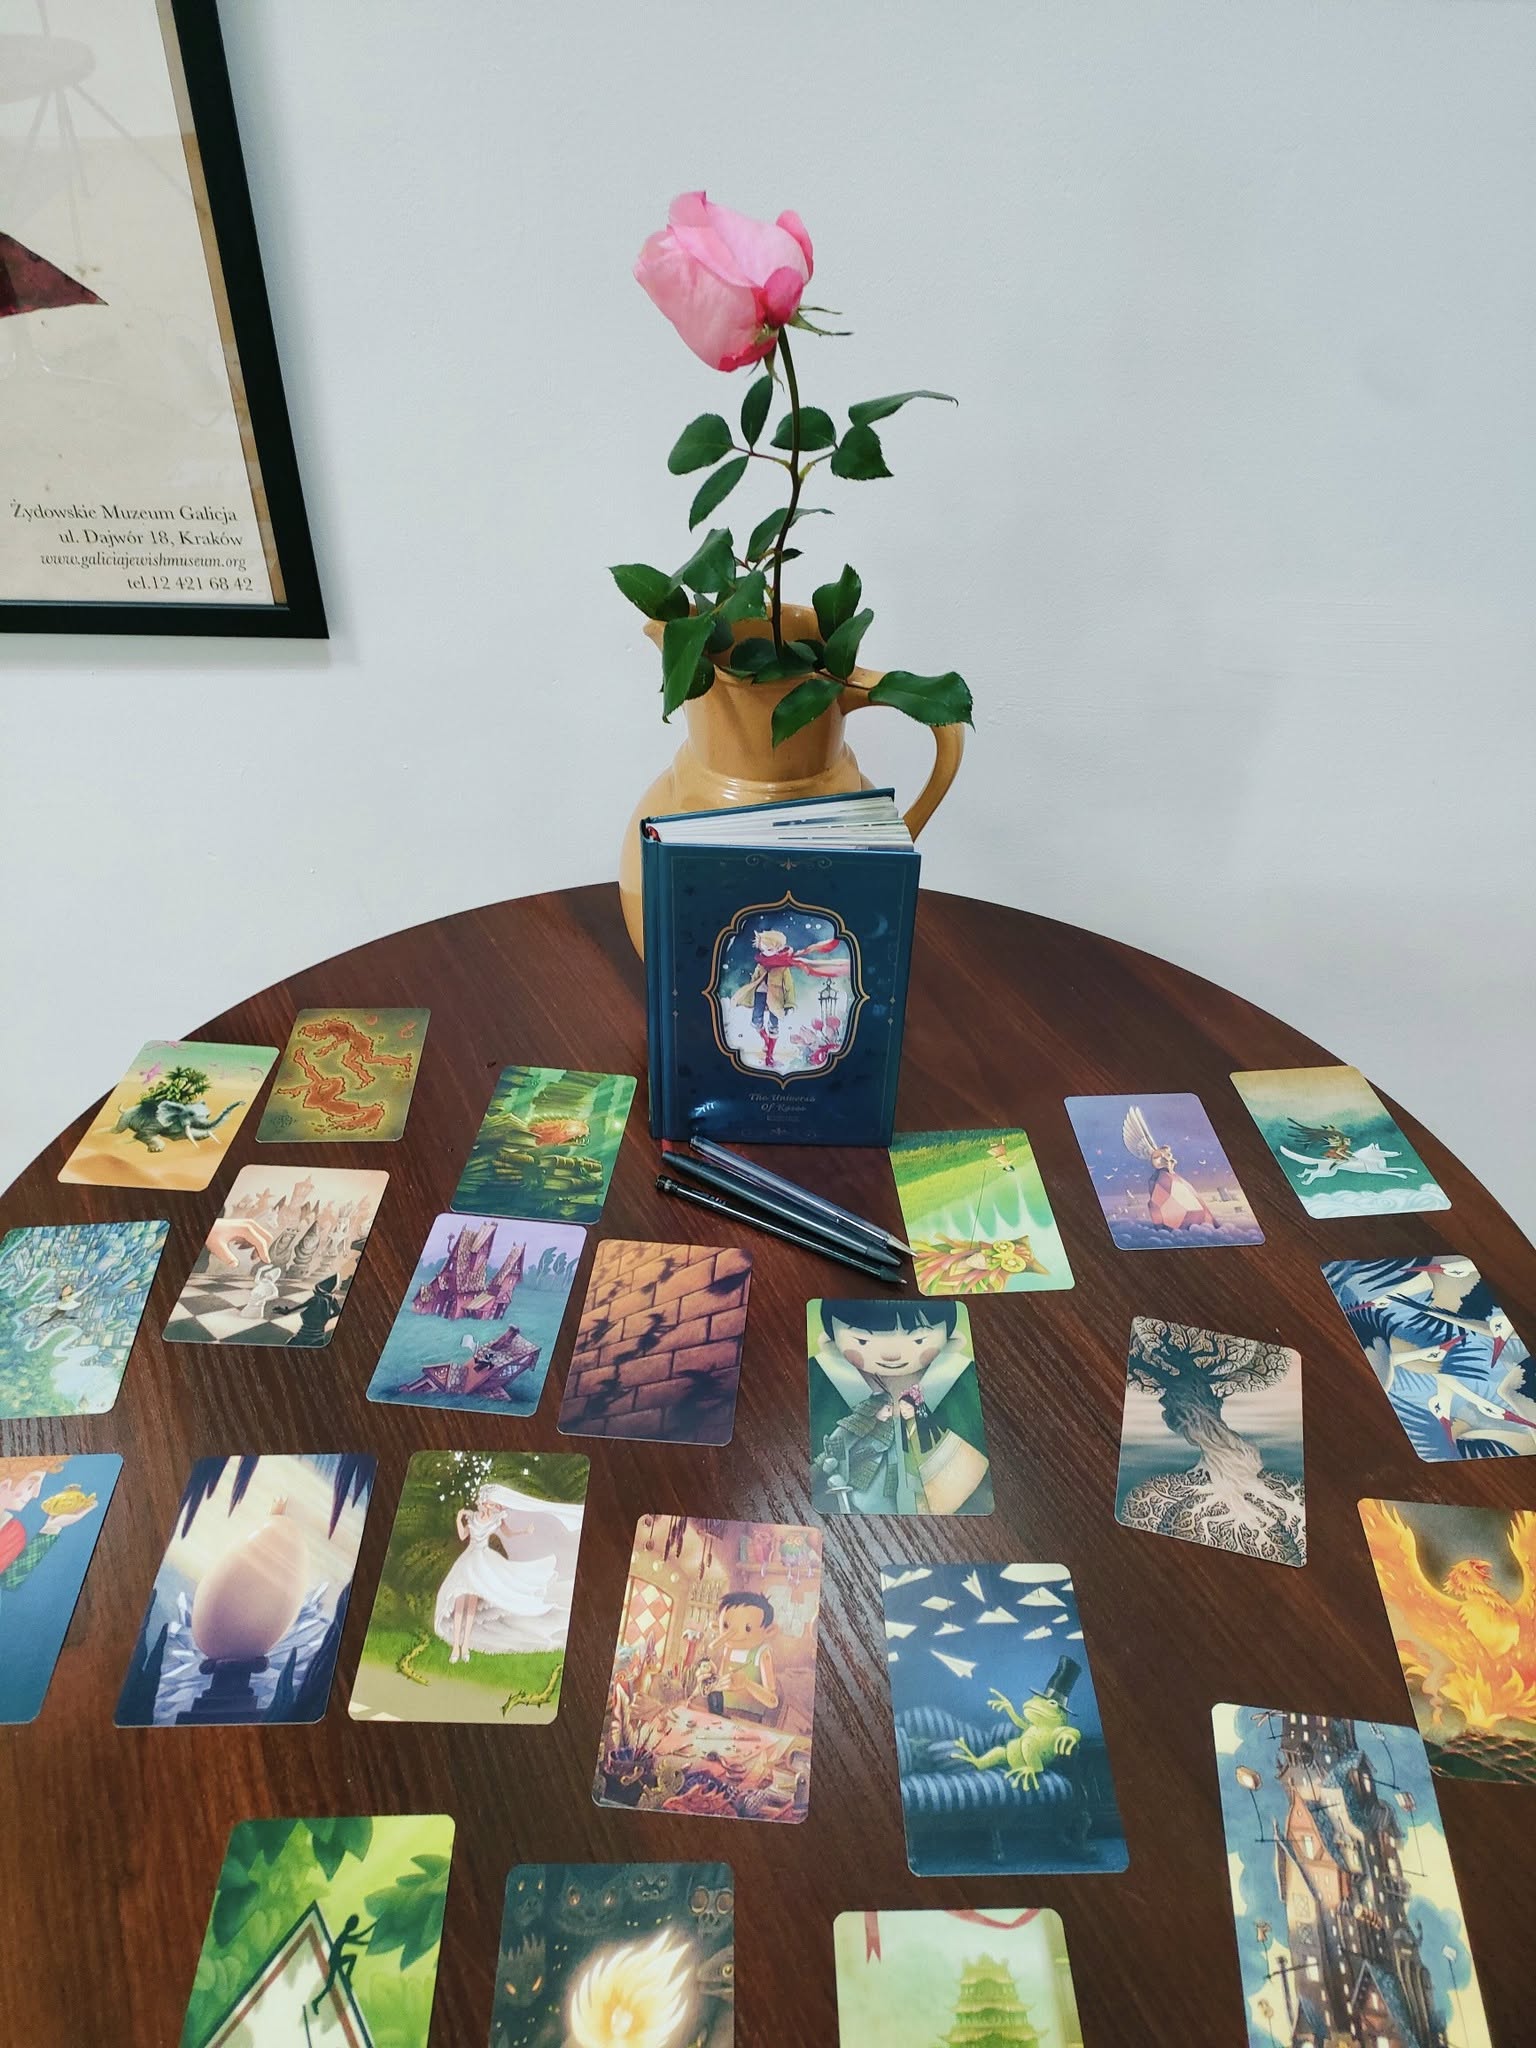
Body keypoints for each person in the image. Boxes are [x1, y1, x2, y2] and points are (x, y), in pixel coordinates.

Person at [810, 1299, 992, 1515]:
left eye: (919, 1340)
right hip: (865, 1486)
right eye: (862, 1341)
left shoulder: (961, 1378)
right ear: (830, 1344)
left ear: (953, 1342)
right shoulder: (823, 1379)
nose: (892, 1355)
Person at [432, 1483, 560, 1663]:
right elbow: (463, 1536)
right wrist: (459, 1518)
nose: (491, 1506)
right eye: (490, 1503)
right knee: (460, 1602)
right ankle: (455, 1646)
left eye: (494, 1504)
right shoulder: (473, 1517)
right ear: (483, 1502)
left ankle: (465, 1644)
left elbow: (508, 1534)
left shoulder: (496, 1519)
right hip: (468, 1560)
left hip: (482, 1561)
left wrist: (525, 1531)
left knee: (471, 1606)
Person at [704, 1590, 778, 1723]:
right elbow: (721, 1682)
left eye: (748, 1628)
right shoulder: (728, 1649)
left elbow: (772, 1701)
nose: (734, 1634)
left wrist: (747, 1683)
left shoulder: (762, 1654)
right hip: (724, 1712)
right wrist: (710, 1678)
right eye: (726, 1625)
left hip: (750, 1718)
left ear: (768, 1631)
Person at [310, 1913, 375, 2014]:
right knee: (352, 1958)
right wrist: (370, 1941)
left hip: (335, 1959)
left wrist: (372, 1926)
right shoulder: (344, 1936)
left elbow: (359, 1936)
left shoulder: (344, 1934)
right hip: (335, 1960)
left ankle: (316, 2001)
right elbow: (358, 1940)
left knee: (329, 1985)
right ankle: (346, 1977)